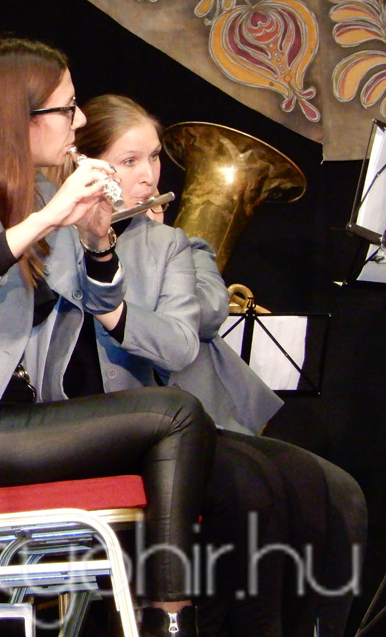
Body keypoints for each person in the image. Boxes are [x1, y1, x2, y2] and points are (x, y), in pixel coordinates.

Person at [0, 35, 216, 637]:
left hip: (11, 420)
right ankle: (169, 620)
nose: (79, 121)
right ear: (19, 114)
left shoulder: (32, 191)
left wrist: (97, 241)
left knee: (181, 429)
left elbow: (98, 300)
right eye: (68, 107)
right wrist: (48, 219)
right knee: (177, 415)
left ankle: (149, 612)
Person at [76, 93, 366, 637]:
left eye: (154, 158)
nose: (148, 175)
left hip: (201, 417)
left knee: (337, 492)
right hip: (121, 422)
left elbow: (205, 313)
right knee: (253, 491)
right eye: (129, 160)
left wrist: (163, 246)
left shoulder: (180, 245)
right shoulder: (68, 238)